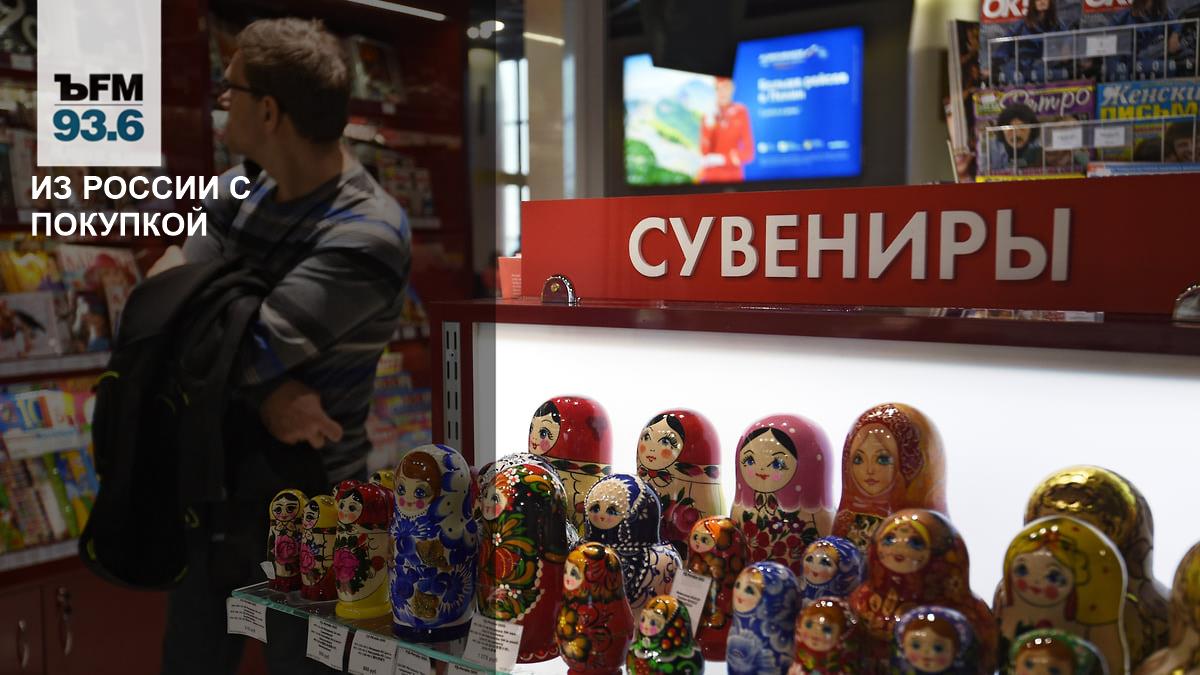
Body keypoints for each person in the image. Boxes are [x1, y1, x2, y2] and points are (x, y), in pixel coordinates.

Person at [151, 18, 410, 675]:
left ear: (268, 111)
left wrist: (232, 343)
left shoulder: (366, 233)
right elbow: (156, 308)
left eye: (229, 88)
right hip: (214, 494)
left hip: (320, 517)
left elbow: (237, 346)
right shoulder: (237, 189)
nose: (220, 101)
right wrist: (267, 391)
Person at [698, 77, 754, 183]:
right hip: (710, 179)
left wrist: (723, 159)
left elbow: (748, 153)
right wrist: (709, 126)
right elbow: (704, 153)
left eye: (725, 87)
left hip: (733, 179)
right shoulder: (708, 115)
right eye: (718, 88)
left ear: (732, 88)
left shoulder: (740, 112)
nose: (722, 92)